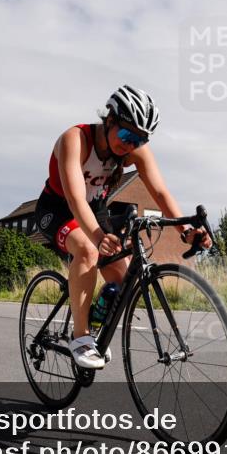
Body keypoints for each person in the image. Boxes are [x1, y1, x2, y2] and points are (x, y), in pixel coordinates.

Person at [34, 85, 211, 370]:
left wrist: (186, 231)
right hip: (57, 208)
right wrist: (97, 236)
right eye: (127, 134)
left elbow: (160, 193)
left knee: (123, 278)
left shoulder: (135, 151)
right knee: (87, 250)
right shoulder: (75, 139)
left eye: (139, 140)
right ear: (110, 120)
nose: (130, 145)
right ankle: (80, 339)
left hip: (95, 210)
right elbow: (75, 198)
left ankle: (91, 320)